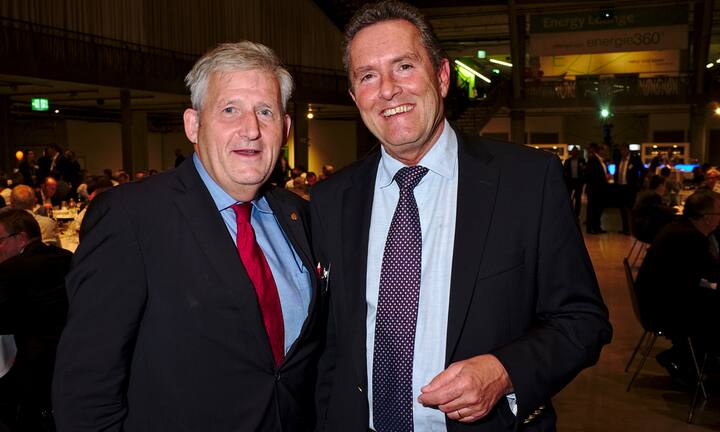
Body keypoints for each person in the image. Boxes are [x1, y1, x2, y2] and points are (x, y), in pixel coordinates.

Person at [311, 2, 612, 431]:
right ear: (355, 96)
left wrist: (504, 371)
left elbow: (582, 320)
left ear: (442, 76)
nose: (388, 90)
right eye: (367, 76)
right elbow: (330, 347)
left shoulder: (526, 182)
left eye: (404, 66)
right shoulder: (330, 200)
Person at [53, 41, 322, 431]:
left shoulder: (298, 216)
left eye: (265, 111)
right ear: (193, 125)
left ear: (285, 128)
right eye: (230, 110)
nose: (251, 129)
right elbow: (85, 388)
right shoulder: (131, 217)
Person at [635, 189, 720, 380]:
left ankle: (688, 357)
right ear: (707, 217)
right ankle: (686, 359)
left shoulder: (680, 227)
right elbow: (712, 273)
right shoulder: (690, 238)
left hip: (655, 302)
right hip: (663, 310)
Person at [0, 208, 71, 431]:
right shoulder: (67, 257)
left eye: (0, 241)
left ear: (21, 238)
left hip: (34, 369)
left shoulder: (10, 271)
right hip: (73, 358)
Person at [631, 175, 676, 243]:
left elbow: (657, 208)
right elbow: (659, 211)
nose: (665, 188)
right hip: (646, 231)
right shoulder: (654, 196)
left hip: (637, 228)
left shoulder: (647, 193)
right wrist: (675, 210)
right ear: (660, 185)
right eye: (664, 185)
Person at [614, 142, 646, 235]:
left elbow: (643, 171)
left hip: (630, 188)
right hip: (620, 187)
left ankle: (632, 228)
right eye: (621, 150)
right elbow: (616, 172)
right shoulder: (618, 159)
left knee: (631, 209)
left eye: (623, 150)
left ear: (628, 150)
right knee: (622, 209)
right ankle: (625, 228)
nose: (622, 152)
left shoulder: (635, 159)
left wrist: (639, 183)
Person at [585, 142, 609, 234]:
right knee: (592, 209)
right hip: (594, 189)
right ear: (600, 150)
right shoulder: (593, 159)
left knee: (598, 208)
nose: (606, 152)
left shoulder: (602, 160)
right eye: (604, 150)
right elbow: (591, 174)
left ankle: (597, 227)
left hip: (600, 189)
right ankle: (591, 228)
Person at [562, 146, 586, 220]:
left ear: (577, 153)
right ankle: (569, 213)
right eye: (573, 151)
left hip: (578, 182)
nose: (574, 153)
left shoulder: (582, 160)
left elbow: (585, 170)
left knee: (578, 199)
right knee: (569, 198)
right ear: (571, 153)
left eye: (576, 152)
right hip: (570, 182)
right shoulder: (567, 161)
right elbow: (564, 171)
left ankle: (576, 215)